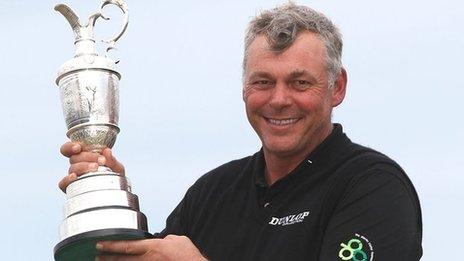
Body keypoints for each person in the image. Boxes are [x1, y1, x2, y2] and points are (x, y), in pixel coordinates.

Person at [59, 3, 422, 260]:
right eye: (263, 81)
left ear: (336, 87)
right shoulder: (212, 193)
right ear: (243, 88)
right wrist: (113, 202)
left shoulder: (372, 186)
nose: (279, 100)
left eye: (299, 82)